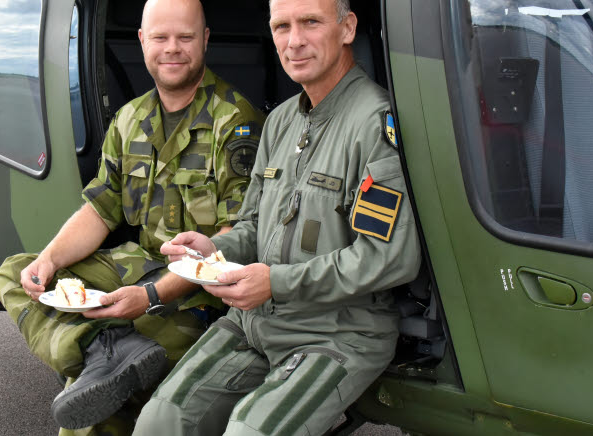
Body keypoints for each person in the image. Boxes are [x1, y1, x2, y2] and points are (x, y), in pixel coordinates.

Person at [133, 0, 422, 434]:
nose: (294, 41)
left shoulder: (374, 122)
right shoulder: (281, 121)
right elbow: (252, 225)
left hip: (337, 334)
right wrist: (213, 249)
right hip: (255, 322)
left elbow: (389, 258)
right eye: (281, 26)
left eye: (310, 22)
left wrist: (276, 283)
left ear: (347, 29)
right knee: (161, 421)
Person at [0, 0, 265, 433]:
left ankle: (100, 363)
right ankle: (103, 347)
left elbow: (238, 236)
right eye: (160, 37)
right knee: (16, 272)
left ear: (206, 40)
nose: (172, 49)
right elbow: (100, 210)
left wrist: (154, 296)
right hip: (137, 266)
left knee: (93, 401)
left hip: (199, 295)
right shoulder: (129, 120)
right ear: (142, 41)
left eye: (185, 37)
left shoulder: (235, 122)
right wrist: (48, 260)